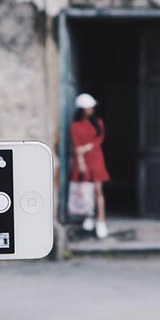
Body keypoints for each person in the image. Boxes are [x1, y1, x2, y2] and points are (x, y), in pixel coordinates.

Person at [70, 93, 110, 239]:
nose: (91, 109)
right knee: (85, 191)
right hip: (83, 161)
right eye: (88, 107)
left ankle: (101, 220)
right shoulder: (75, 126)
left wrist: (86, 148)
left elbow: (99, 139)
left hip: (96, 159)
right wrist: (81, 161)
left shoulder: (98, 123)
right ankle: (89, 216)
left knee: (98, 191)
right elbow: (76, 146)